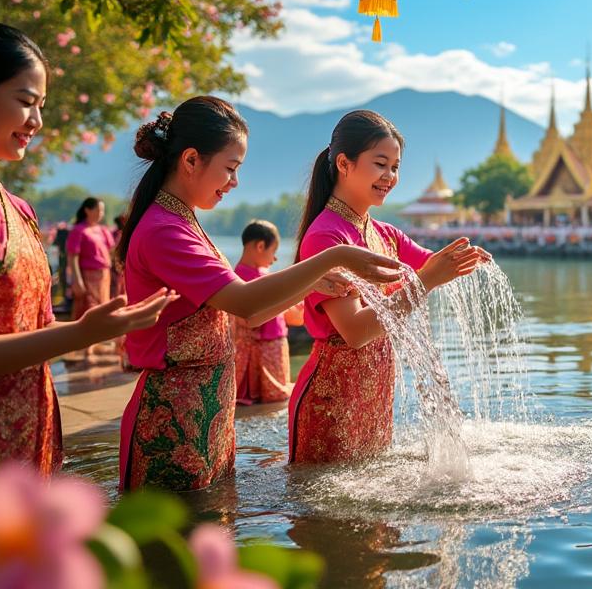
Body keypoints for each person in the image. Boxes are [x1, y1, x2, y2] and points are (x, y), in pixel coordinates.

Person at [117, 97, 403, 491]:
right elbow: (245, 301)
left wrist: (311, 281)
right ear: (191, 160)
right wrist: (330, 258)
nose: (234, 182)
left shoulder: (182, 221)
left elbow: (250, 313)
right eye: (230, 168)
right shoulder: (164, 230)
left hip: (204, 410)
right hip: (173, 415)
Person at [0, 20, 173, 473]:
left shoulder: (17, 207)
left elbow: (32, 331)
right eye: (25, 102)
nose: (37, 121)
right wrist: (81, 333)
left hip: (29, 445)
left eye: (41, 106)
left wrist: (93, 327)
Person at [289, 110, 488, 463]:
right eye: (380, 164)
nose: (390, 176)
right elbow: (355, 332)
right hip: (331, 397)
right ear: (344, 164)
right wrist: (427, 280)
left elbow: (431, 263)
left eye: (395, 167)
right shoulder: (326, 237)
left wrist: (462, 259)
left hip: (375, 392)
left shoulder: (385, 234)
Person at [232, 219, 297, 405]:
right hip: (266, 346)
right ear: (260, 246)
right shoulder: (254, 279)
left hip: (268, 343)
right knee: (276, 396)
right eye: (273, 251)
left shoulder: (235, 277)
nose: (275, 259)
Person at [67, 196, 118, 362]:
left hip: (104, 275)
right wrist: (77, 280)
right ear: (87, 210)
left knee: (103, 308)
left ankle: (95, 344)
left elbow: (112, 251)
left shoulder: (103, 230)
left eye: (102, 210)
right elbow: (73, 257)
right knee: (88, 309)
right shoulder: (79, 230)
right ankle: (85, 349)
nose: (101, 213)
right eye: (98, 210)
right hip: (87, 275)